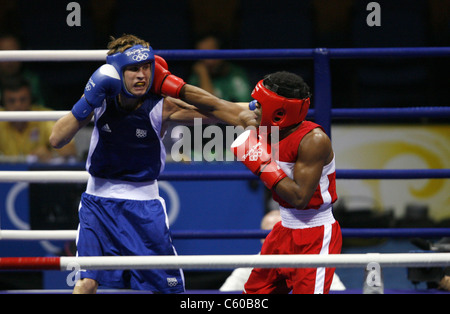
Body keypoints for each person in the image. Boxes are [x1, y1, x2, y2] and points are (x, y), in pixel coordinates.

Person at [49, 34, 253, 294]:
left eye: (146, 67)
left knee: (167, 288)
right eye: (133, 68)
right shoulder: (100, 98)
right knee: (86, 283)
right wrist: (87, 100)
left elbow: (216, 110)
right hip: (96, 203)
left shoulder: (162, 106)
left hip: (143, 207)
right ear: (116, 71)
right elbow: (56, 138)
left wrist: (254, 109)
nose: (142, 75)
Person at [189, 71, 342, 294]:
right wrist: (167, 85)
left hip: (315, 234)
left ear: (278, 110)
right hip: (283, 230)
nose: (253, 107)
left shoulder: (313, 140)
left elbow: (299, 198)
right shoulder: (261, 123)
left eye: (260, 104)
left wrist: (260, 162)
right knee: (253, 296)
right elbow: (214, 104)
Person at [0, 77, 76, 163]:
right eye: (11, 101)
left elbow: (70, 150)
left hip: (37, 174)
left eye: (22, 99)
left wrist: (51, 153)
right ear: (3, 103)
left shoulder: (43, 116)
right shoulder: (0, 117)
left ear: (31, 100)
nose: (18, 105)